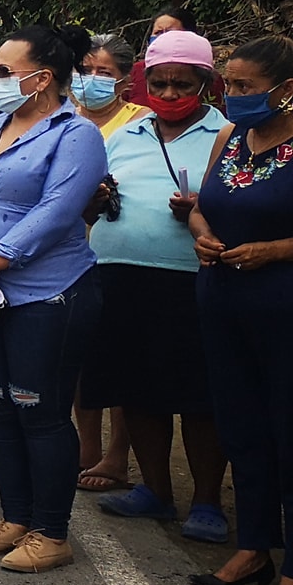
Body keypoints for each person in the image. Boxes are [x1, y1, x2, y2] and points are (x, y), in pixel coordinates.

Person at [0, 24, 106, 573]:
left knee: (40, 409)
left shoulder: (75, 135)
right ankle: (15, 518)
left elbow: (59, 208)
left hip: (47, 292)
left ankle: (51, 532)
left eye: (4, 72)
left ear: (43, 78)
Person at [79, 30, 228, 540]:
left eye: (181, 84)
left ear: (205, 84)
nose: (168, 94)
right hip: (119, 274)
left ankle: (207, 502)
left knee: (199, 395)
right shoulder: (127, 134)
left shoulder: (225, 134)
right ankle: (155, 491)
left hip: (191, 278)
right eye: (159, 84)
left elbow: (242, 206)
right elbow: (91, 199)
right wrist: (97, 199)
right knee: (137, 388)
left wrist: (201, 213)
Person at [188, 35, 293, 585]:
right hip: (224, 298)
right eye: (228, 84)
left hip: (290, 304)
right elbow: (201, 206)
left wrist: (277, 250)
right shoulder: (230, 136)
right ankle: (254, 547)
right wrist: (201, 232)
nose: (232, 96)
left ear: (284, 90)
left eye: (245, 87)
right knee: (241, 425)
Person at [69, 32, 144, 493]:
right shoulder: (62, 117)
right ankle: (86, 447)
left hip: (119, 252)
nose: (91, 80)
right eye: (85, 71)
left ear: (124, 81)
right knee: (80, 354)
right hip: (68, 253)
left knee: (120, 353)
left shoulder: (141, 123)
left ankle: (118, 455)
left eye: (104, 73)